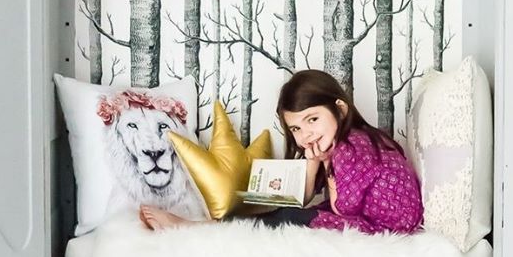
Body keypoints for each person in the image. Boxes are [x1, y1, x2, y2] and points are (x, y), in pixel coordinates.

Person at [140, 69, 423, 235]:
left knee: (288, 219)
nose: (305, 134)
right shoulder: (340, 143)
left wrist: (325, 163)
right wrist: (314, 160)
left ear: (340, 110)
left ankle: (195, 229)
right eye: (296, 128)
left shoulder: (352, 145)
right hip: (375, 221)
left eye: (313, 119)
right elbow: (304, 197)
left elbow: (342, 208)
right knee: (285, 214)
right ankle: (204, 228)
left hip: (384, 230)